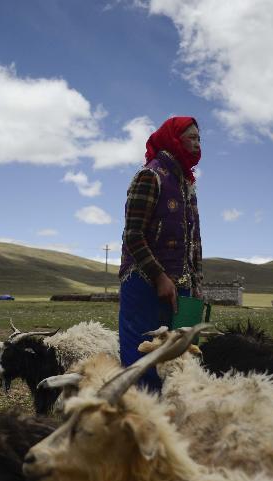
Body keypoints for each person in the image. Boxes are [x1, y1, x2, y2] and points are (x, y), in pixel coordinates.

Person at [117, 116, 203, 392]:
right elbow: (133, 235)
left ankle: (172, 421)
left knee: (178, 360)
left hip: (181, 289)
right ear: (174, 139)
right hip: (145, 285)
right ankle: (142, 422)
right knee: (143, 360)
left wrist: (196, 284)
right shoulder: (150, 176)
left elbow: (193, 242)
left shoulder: (186, 185)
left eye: (199, 138)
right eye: (191, 137)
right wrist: (159, 277)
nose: (197, 144)